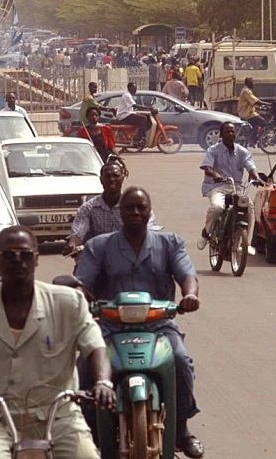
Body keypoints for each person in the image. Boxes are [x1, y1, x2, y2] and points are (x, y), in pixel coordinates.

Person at [0, 226, 114, 459]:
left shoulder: (69, 303)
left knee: (86, 455)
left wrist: (103, 383)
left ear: (36, 260)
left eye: (25, 255)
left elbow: (96, 347)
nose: (18, 261)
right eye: (9, 255)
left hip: (58, 417)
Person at [75, 187, 204, 458]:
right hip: (110, 326)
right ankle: (86, 429)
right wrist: (77, 298)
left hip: (158, 325)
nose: (135, 213)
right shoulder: (98, 246)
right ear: (120, 213)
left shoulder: (170, 243)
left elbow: (187, 274)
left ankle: (181, 427)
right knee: (85, 366)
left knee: (181, 361)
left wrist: (189, 294)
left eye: (141, 208)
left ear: (149, 211)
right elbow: (81, 283)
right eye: (129, 208)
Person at [197, 122, 261, 249]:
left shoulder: (243, 152)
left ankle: (245, 242)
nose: (231, 134)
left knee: (249, 208)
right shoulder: (213, 150)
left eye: (233, 131)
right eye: (227, 131)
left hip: (236, 187)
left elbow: (251, 169)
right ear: (221, 134)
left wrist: (258, 179)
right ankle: (206, 232)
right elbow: (207, 168)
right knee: (216, 208)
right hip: (217, 187)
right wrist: (215, 175)